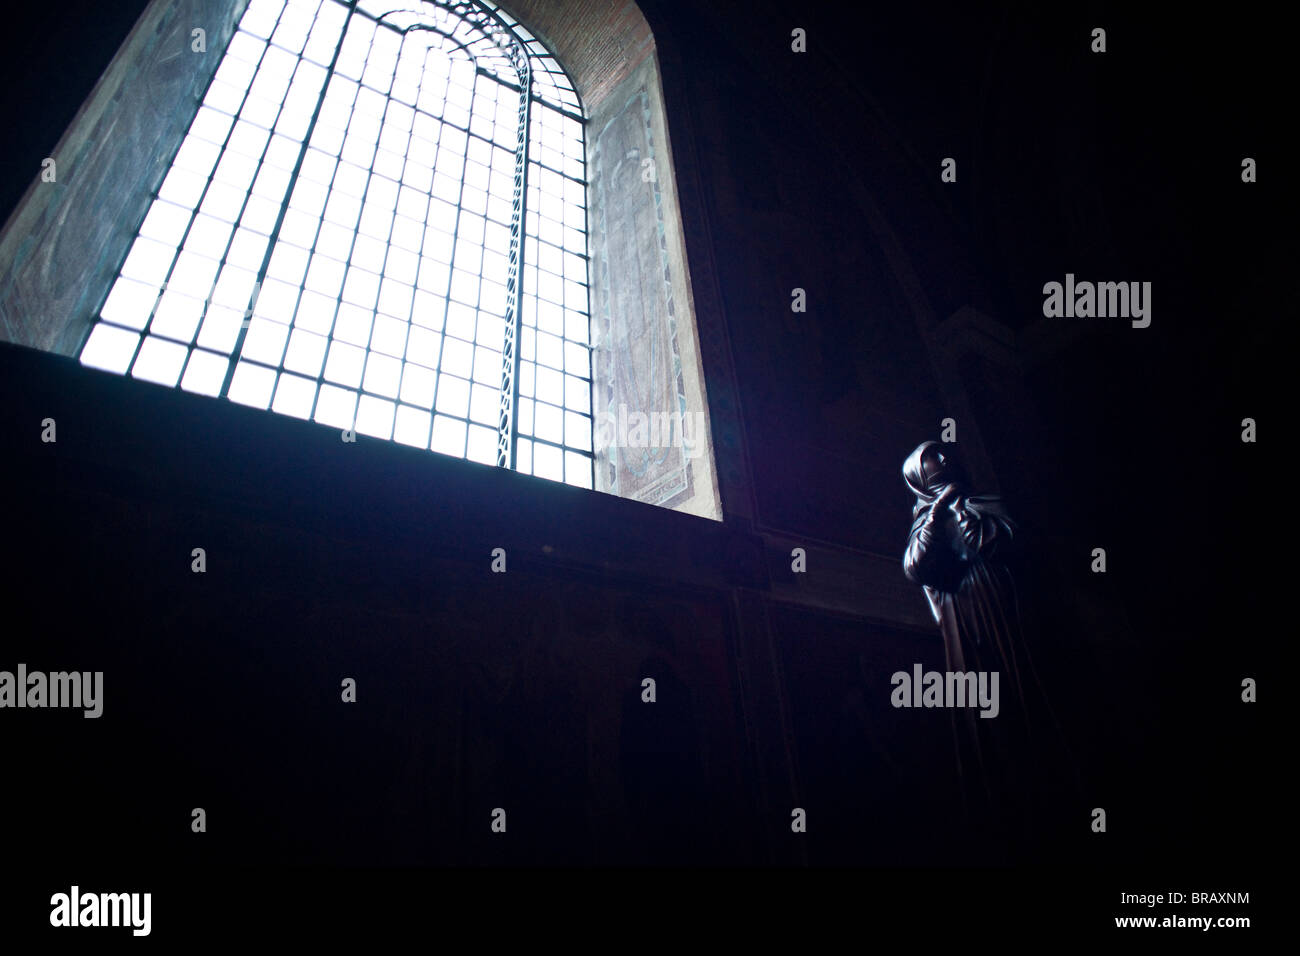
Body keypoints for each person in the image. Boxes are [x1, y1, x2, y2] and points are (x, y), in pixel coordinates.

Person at [902, 441, 1077, 859]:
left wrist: (963, 511)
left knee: (1030, 698)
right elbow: (918, 566)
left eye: (945, 454)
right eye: (933, 458)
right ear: (918, 476)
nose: (945, 459)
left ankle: (1058, 800)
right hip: (964, 627)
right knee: (988, 720)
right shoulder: (925, 522)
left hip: (1009, 613)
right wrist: (940, 511)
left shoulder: (987, 503)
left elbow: (1001, 544)